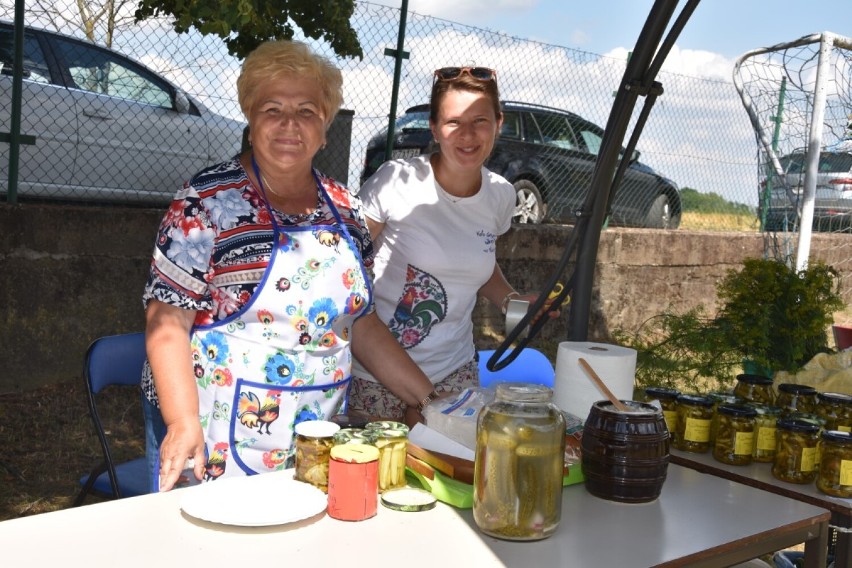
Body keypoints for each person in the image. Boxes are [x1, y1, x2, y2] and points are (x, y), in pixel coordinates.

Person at [141, 40, 436, 492]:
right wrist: (180, 422)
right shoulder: (206, 202)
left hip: (318, 439)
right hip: (210, 437)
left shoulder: (347, 209)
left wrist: (430, 399)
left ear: (325, 129)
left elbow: (361, 324)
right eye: (272, 109)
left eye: (306, 112)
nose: (288, 125)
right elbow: (167, 320)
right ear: (250, 118)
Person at [349, 66, 550, 420]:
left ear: (498, 123)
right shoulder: (396, 181)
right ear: (434, 128)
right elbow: (347, 268)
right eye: (454, 121)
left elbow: (475, 261)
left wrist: (511, 301)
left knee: (457, 470)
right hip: (376, 374)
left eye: (480, 121)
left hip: (455, 371)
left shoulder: (501, 195)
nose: (468, 134)